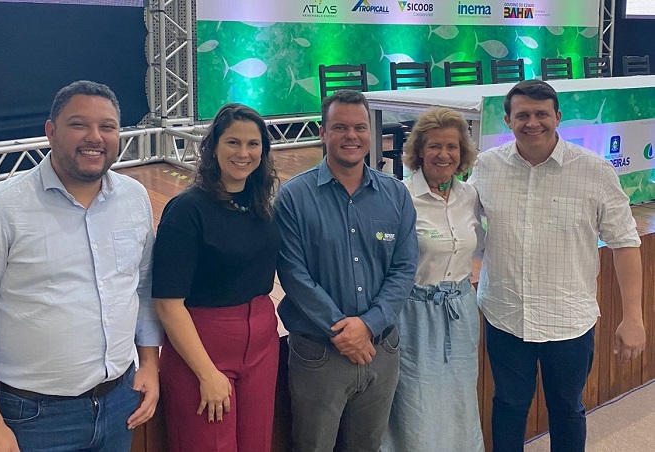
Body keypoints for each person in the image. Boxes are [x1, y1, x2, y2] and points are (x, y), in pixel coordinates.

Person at [0, 80, 163, 451]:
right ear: (51, 132)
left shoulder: (133, 198)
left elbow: (144, 286)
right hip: (32, 418)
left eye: (108, 126)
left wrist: (149, 363)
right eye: (79, 124)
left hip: (120, 403)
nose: (95, 137)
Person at [468, 79, 646, 452]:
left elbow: (625, 242)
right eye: (522, 115)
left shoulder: (595, 171)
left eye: (541, 114)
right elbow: (465, 224)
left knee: (567, 411)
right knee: (508, 406)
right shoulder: (486, 166)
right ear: (507, 120)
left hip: (568, 320)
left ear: (558, 117)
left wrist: (633, 317)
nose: (532, 123)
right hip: (505, 315)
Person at [275, 89, 418, 451]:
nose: (351, 136)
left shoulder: (396, 195)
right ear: (323, 133)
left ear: (370, 132)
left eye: (359, 127)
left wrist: (368, 325)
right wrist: (344, 330)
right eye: (340, 127)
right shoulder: (293, 196)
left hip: (380, 350)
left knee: (366, 446)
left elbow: (404, 269)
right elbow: (293, 274)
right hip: (319, 354)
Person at [152, 103, 281, 452]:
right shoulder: (186, 211)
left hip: (261, 345)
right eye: (233, 143)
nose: (243, 153)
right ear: (213, 148)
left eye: (253, 144)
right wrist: (206, 373)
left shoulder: (260, 203)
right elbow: (167, 304)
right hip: (202, 347)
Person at [382, 107, 485, 451]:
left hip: (460, 311)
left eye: (452, 147)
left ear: (463, 152)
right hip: (414, 313)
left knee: (459, 399)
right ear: (419, 151)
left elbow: (481, 246)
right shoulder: (400, 197)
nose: (444, 155)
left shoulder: (470, 196)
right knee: (416, 403)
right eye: (435, 146)